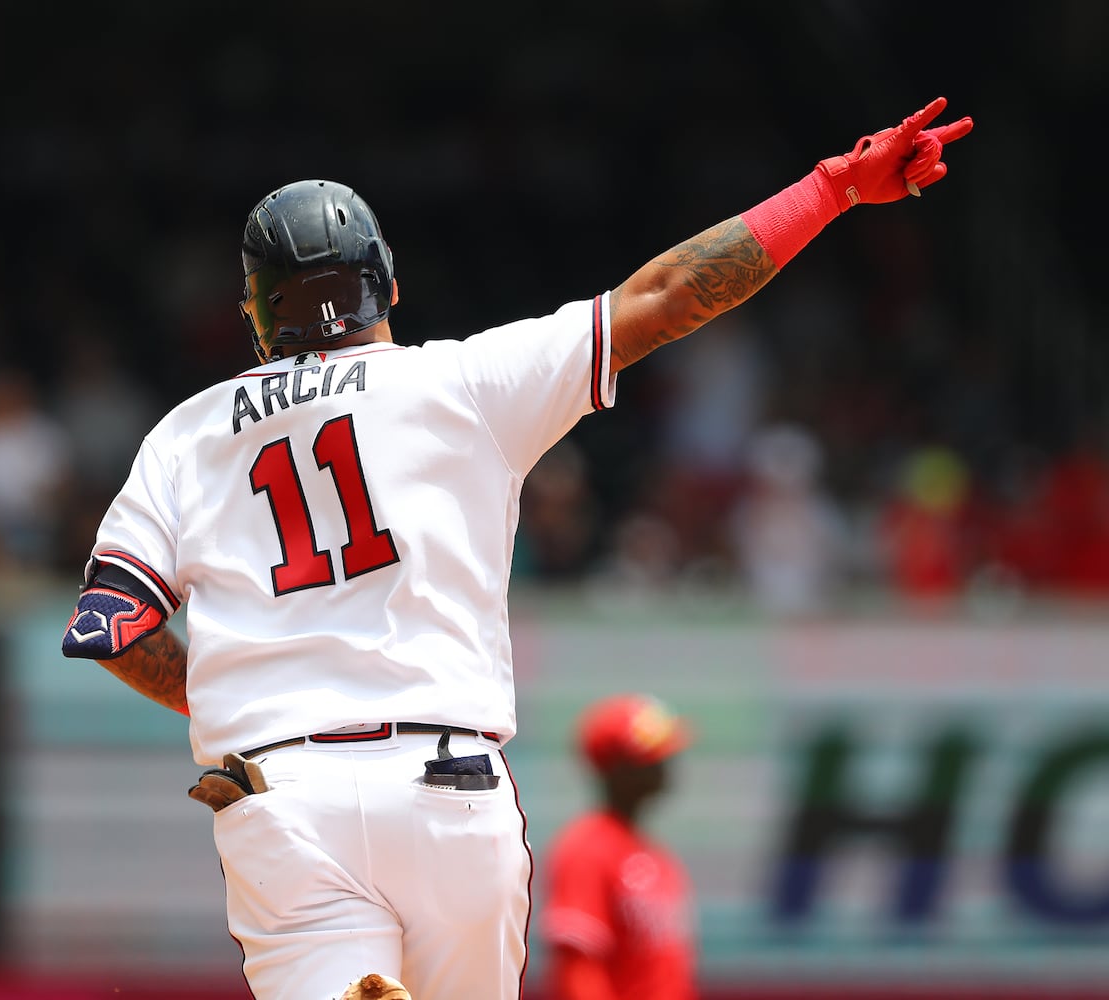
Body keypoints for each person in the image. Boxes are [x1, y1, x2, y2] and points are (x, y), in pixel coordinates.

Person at [60, 96, 973, 1000]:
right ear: (387, 284)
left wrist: (237, 689)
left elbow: (112, 627)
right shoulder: (460, 382)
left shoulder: (187, 435)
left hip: (283, 793)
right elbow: (666, 295)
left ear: (256, 315)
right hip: (446, 783)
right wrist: (833, 187)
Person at [539, 694, 696, 1000]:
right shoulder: (585, 848)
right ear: (618, 769)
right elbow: (577, 970)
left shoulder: (654, 852)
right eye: (653, 756)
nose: (666, 764)